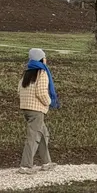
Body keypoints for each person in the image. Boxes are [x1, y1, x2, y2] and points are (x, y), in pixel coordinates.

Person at [17, 47, 59, 175]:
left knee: (42, 134)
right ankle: (25, 166)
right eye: (44, 57)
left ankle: (46, 163)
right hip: (36, 110)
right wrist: (49, 102)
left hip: (26, 108)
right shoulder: (42, 72)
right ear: (41, 59)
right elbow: (41, 92)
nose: (46, 59)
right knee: (33, 136)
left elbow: (19, 90)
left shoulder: (27, 72)